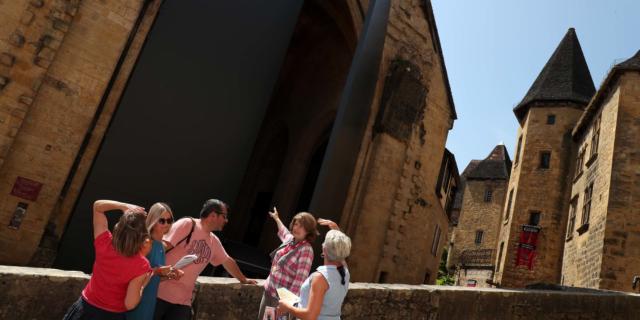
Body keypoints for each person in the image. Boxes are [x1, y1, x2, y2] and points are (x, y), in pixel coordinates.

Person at [154, 199, 257, 320]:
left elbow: (227, 261)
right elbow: (162, 247)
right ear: (213, 215)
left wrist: (243, 279)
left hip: (183, 302)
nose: (226, 220)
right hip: (159, 294)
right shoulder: (188, 224)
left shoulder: (213, 241)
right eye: (224, 216)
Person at [63, 200, 153, 320]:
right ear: (143, 236)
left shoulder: (104, 242)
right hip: (112, 315)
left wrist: (124, 206)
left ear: (119, 227)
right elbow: (130, 304)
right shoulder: (142, 265)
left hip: (85, 308)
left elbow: (97, 206)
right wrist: (143, 285)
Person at [277, 219, 351, 320]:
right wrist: (337, 232)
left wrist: (287, 306)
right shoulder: (345, 273)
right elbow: (341, 254)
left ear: (324, 250)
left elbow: (310, 316)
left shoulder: (320, 278)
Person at [257, 208, 319, 320]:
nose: (297, 228)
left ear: (308, 231)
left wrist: (286, 304)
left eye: (302, 226)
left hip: (280, 300)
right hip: (269, 291)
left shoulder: (306, 250)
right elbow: (283, 231)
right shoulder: (290, 240)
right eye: (296, 224)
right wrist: (276, 218)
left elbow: (299, 281)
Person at [127, 202, 183, 320]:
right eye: (162, 220)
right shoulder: (146, 243)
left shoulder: (161, 246)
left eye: (169, 220)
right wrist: (158, 271)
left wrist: (169, 275)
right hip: (137, 299)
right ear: (153, 220)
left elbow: (155, 278)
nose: (166, 224)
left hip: (149, 300)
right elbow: (133, 273)